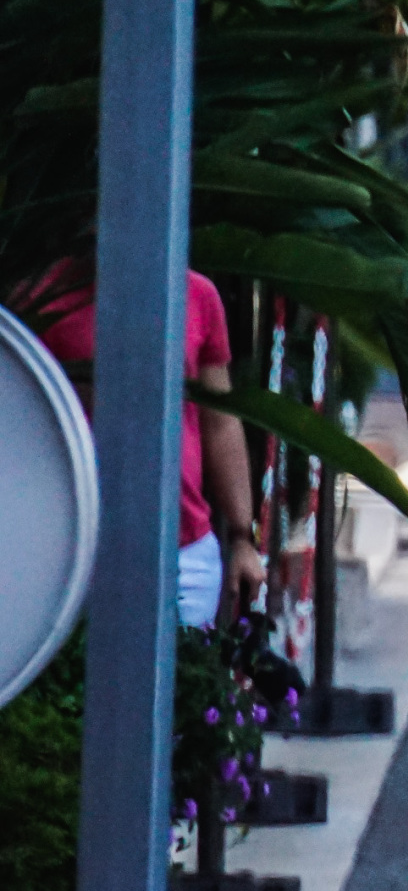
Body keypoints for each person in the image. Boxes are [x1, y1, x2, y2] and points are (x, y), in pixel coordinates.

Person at [31, 264, 261, 629]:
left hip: (184, 551)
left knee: (185, 681)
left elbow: (220, 422)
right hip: (69, 553)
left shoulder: (198, 294)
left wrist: (243, 537)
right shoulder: (41, 296)